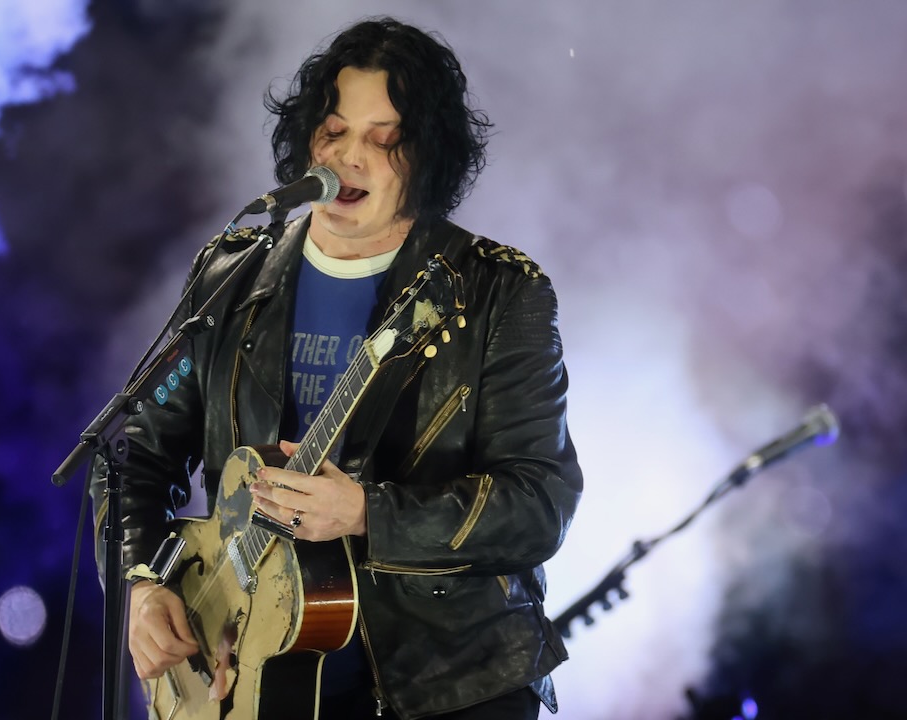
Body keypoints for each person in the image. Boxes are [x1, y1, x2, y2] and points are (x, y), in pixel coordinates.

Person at [91, 17, 581, 720]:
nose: (350, 157)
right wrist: (144, 583)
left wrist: (366, 514)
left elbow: (538, 505)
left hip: (450, 680)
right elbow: (135, 455)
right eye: (333, 132)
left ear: (428, 157)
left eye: (384, 140)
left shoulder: (496, 289)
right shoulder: (232, 276)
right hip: (261, 670)